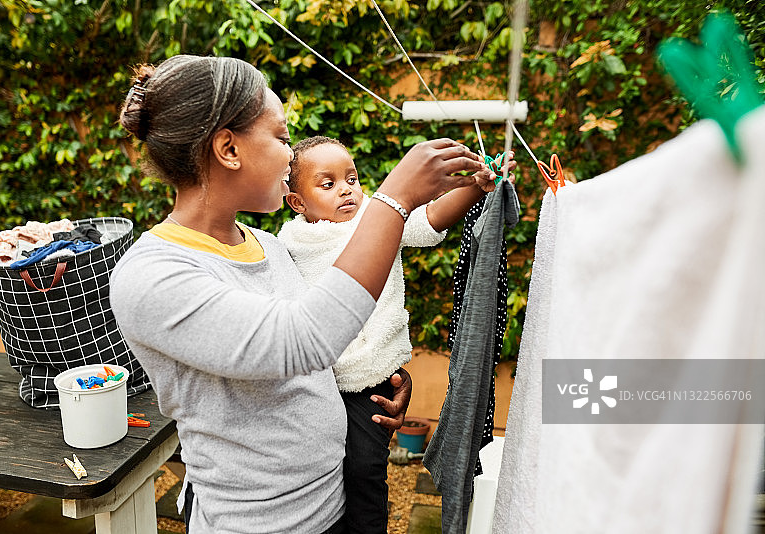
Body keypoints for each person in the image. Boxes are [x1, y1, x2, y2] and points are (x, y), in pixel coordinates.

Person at [110, 54, 492, 534]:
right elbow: (300, 341)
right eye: (281, 137)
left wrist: (376, 379)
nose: (290, 156)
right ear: (228, 148)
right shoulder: (153, 275)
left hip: (333, 505)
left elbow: (318, 353)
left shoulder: (269, 246)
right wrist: (395, 200)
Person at [277, 136, 515, 533]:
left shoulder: (378, 218)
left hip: (371, 382)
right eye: (328, 184)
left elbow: (431, 217)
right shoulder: (288, 243)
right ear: (297, 203)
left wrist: (476, 186)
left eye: (351, 179)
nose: (346, 190)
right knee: (321, 472)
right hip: (317, 383)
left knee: (365, 470)